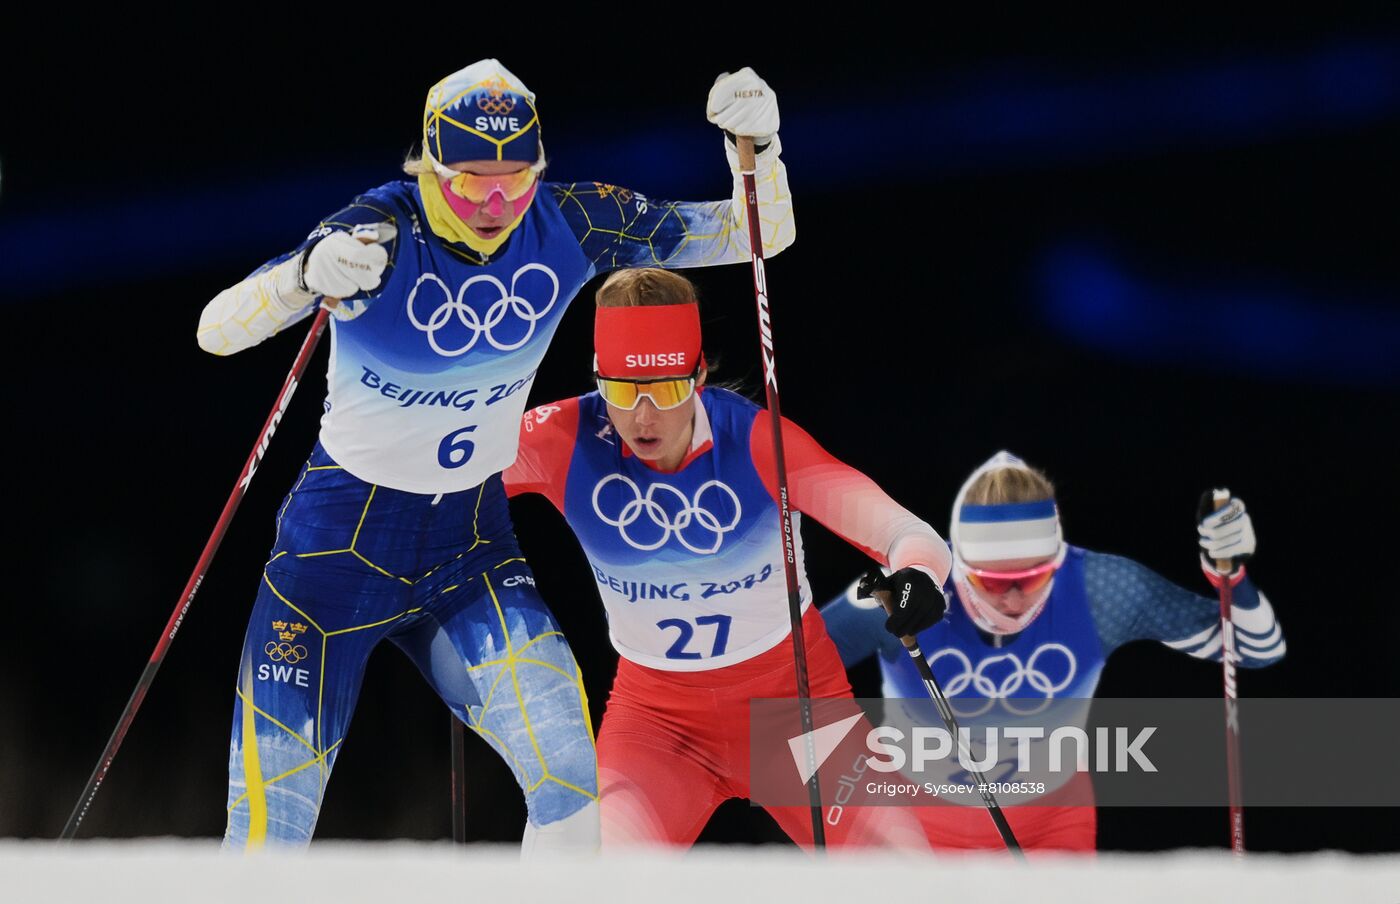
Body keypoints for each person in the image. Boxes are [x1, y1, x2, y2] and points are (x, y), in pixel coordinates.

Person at [197, 59, 795, 852]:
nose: (494, 206)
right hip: (330, 562)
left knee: (572, 782)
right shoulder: (378, 232)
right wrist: (305, 275)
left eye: (515, 182)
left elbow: (760, 235)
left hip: (469, 551)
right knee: (267, 838)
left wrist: (760, 150)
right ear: (428, 167)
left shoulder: (569, 223)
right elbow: (215, 330)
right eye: (470, 183)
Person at [503, 268, 949, 849]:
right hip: (657, 727)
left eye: (666, 391)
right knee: (597, 873)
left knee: (902, 870)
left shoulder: (759, 442)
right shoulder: (564, 438)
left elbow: (903, 532)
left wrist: (918, 574)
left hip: (795, 715)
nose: (643, 417)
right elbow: (435, 471)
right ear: (597, 377)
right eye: (621, 391)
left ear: (698, 376)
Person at [820, 451, 1286, 852]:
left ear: (1057, 560)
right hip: (911, 831)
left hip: (1052, 830)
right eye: (993, 583)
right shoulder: (900, 594)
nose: (1014, 600)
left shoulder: (1103, 589)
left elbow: (1256, 648)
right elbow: (791, 680)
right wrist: (843, 785)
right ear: (959, 567)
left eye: (1034, 577)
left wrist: (1232, 578)